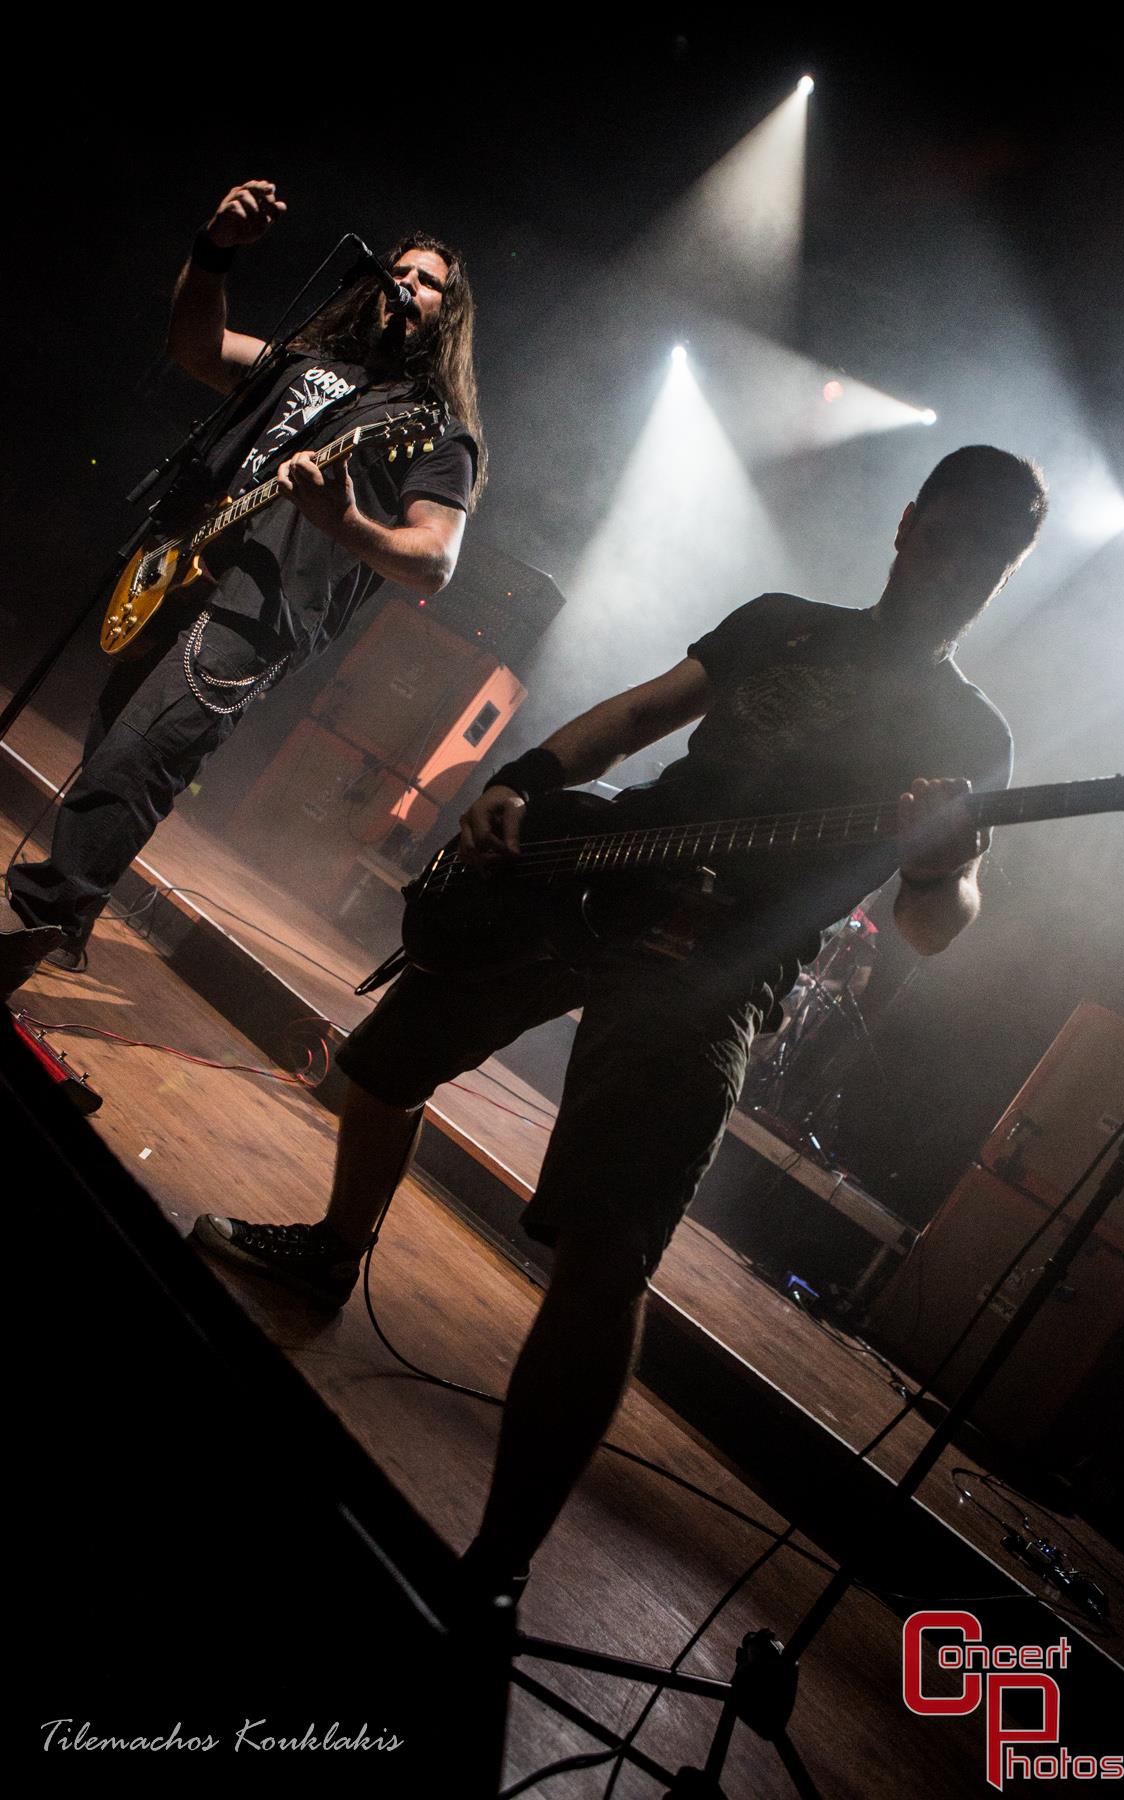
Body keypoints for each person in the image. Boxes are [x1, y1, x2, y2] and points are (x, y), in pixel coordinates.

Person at [193, 445, 1047, 1596]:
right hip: (600, 866)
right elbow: (641, 714)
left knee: (608, 1254)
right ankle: (334, 1253)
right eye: (949, 537)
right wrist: (524, 779)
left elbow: (937, 926)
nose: (958, 569)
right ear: (907, 525)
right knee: (391, 1058)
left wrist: (943, 867)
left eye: (989, 560)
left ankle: (495, 1571)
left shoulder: (969, 736)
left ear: (1005, 577)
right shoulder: (784, 622)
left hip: (721, 964)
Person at [1, 180, 483, 998]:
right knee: (113, 748)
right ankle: (62, 927)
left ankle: (29, 924)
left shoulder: (433, 427)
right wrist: (213, 251)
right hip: (179, 568)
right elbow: (195, 346)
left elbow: (434, 560)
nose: (404, 284)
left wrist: (345, 522)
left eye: (427, 281)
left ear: (449, 313)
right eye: (397, 270)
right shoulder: (306, 362)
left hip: (259, 613)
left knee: (136, 759)